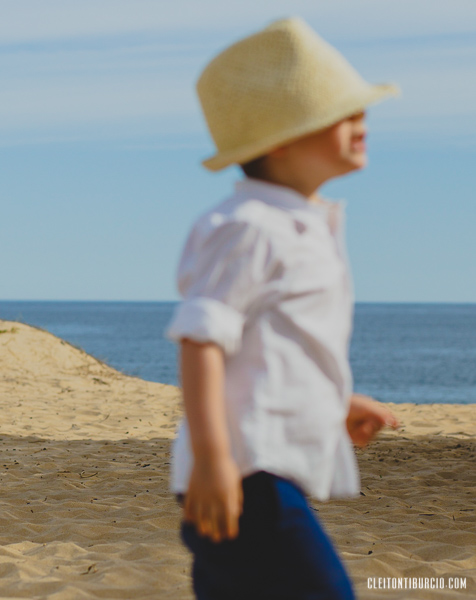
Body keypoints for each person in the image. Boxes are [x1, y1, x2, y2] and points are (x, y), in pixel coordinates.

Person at [166, 18, 401, 599]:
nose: (360, 122)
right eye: (340, 113)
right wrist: (215, 460)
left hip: (262, 467)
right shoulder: (250, 227)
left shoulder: (303, 225)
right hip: (246, 470)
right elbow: (202, 339)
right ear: (280, 140)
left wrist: (332, 404)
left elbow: (271, 347)